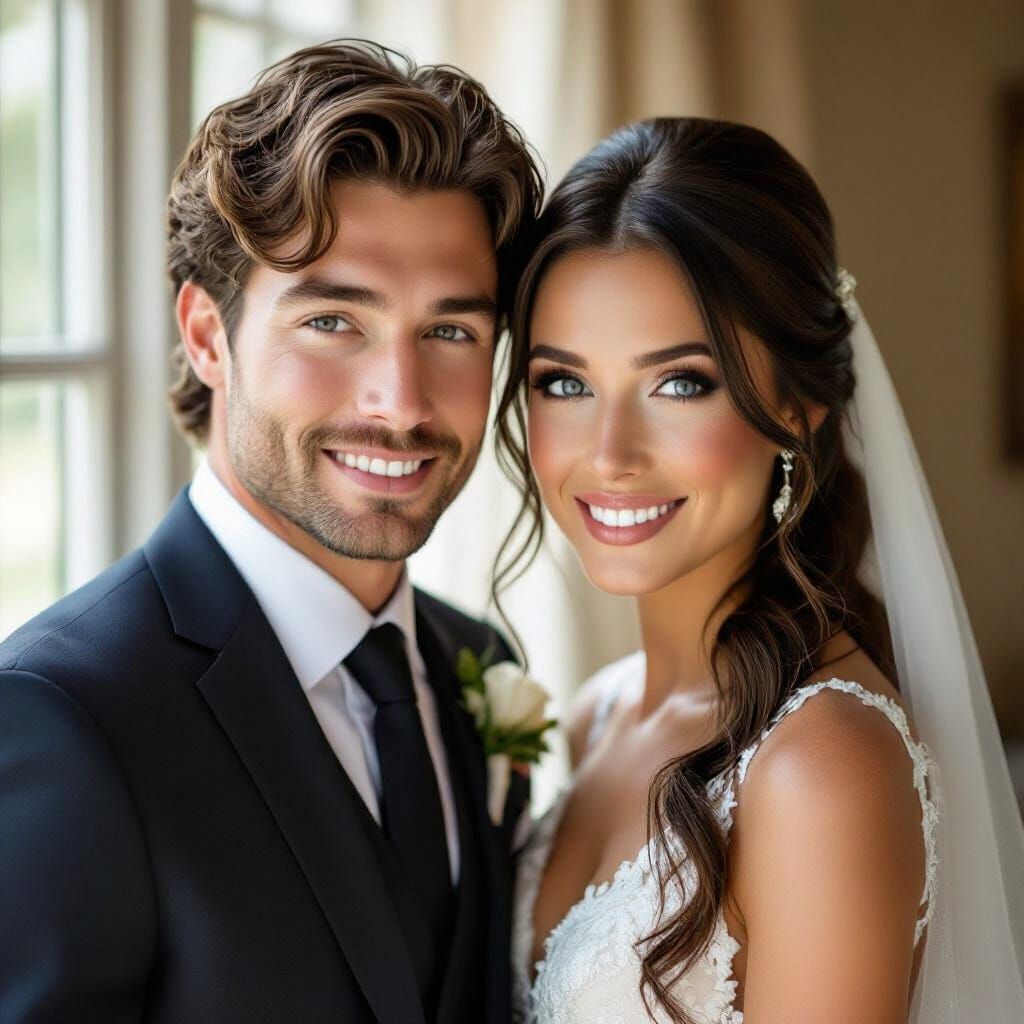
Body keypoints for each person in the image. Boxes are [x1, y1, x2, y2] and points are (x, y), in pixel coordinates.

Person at [0, 41, 542, 1024]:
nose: (402, 403)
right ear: (209, 335)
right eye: (336, 322)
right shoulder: (63, 716)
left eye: (451, 330)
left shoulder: (479, 663)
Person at [497, 117, 1024, 1023]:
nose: (610, 454)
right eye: (565, 383)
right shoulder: (597, 716)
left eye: (680, 383)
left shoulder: (821, 766)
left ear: (800, 402)